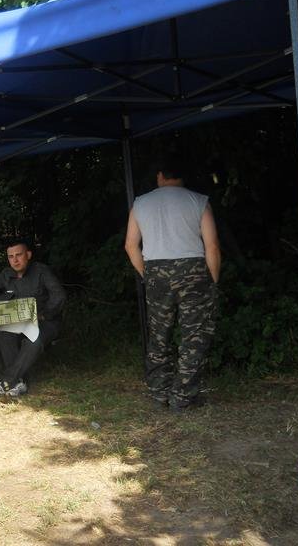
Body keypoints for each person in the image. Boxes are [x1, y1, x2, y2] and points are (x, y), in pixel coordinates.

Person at [124, 158, 220, 411]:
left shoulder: (141, 203)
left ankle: (159, 393)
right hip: (193, 271)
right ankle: (183, 397)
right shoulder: (199, 201)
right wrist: (213, 280)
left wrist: (147, 274)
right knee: (194, 335)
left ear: (160, 175)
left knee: (159, 334)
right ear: (182, 176)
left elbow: (130, 245)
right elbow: (212, 247)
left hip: (156, 270)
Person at [0, 240, 66, 398]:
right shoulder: (7, 274)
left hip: (46, 321)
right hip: (19, 321)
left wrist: (45, 314)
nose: (15, 260)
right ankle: (19, 383)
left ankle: (7, 382)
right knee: (5, 334)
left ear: (28, 255)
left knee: (33, 341)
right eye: (11, 256)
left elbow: (59, 295)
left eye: (19, 255)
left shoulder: (41, 271)